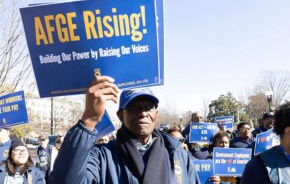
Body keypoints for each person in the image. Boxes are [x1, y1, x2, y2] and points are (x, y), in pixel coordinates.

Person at [49, 76, 198, 184]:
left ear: (155, 114)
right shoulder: (102, 157)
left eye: (148, 107)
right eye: (134, 108)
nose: (143, 113)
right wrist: (89, 119)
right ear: (121, 116)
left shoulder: (177, 154)